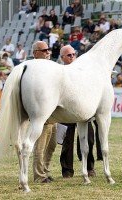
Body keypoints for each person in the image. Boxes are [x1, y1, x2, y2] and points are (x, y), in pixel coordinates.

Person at [59, 45, 96, 178]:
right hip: (66, 110)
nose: (72, 57)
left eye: (74, 54)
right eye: (69, 55)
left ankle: (89, 167)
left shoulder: (82, 70)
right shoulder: (60, 71)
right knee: (67, 142)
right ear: (62, 57)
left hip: (83, 110)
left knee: (89, 139)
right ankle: (67, 170)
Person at [32, 41, 57, 183]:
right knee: (40, 147)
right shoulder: (32, 69)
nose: (48, 52)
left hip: (53, 115)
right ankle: (38, 176)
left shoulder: (51, 67)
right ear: (35, 53)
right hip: (42, 116)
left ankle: (45, 171)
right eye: (44, 50)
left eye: (49, 50)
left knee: (51, 146)